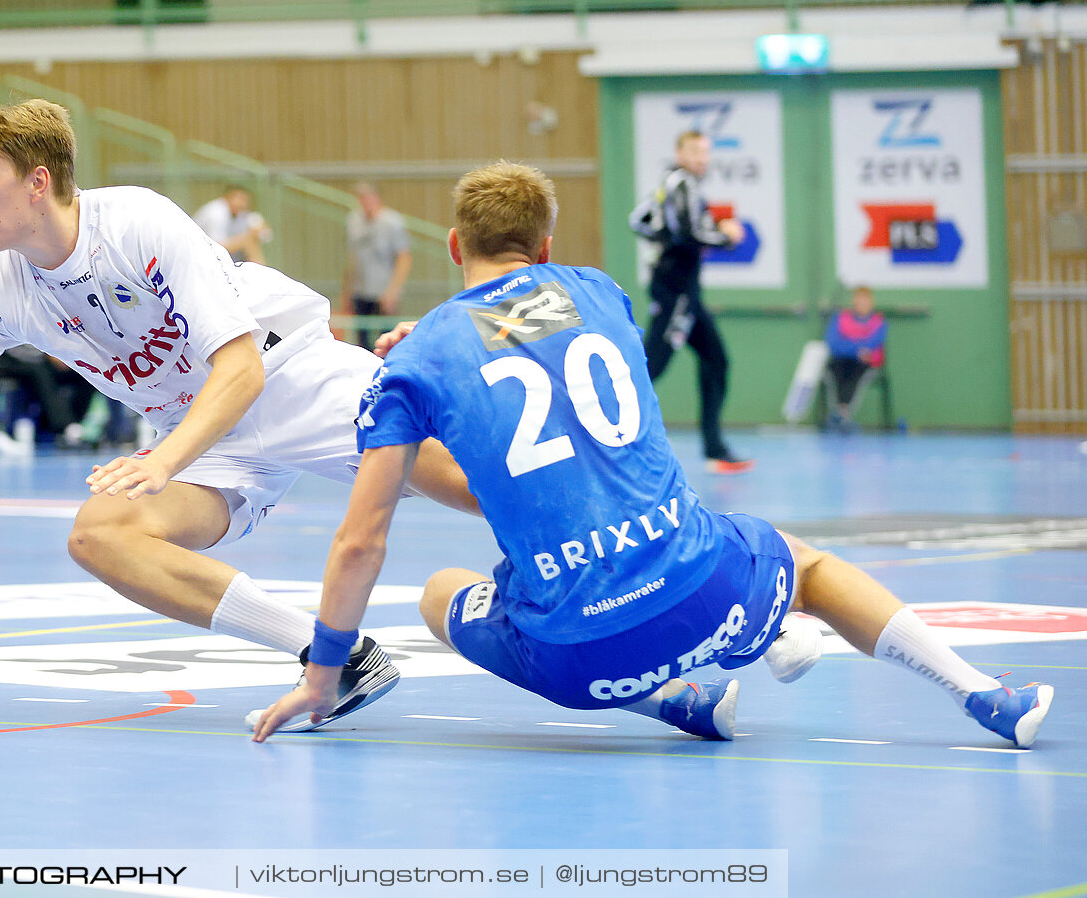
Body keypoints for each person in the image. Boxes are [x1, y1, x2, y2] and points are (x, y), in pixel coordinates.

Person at [0, 90, 486, 730]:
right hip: (204, 437)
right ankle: (335, 651)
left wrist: (163, 459)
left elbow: (241, 369)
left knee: (464, 483)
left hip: (289, 373)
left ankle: (593, 580)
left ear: (38, 182)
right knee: (100, 534)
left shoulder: (136, 223)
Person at [251, 162, 1052, 749]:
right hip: (703, 592)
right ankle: (984, 695)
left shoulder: (417, 363)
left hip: (575, 660)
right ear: (547, 244)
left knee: (439, 593)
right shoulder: (600, 293)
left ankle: (678, 702)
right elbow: (523, 333)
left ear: (455, 242)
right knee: (803, 566)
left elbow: (362, 540)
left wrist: (324, 673)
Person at [629, 129, 753, 474]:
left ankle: (715, 448)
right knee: (652, 364)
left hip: (686, 290)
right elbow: (689, 234)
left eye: (705, 152)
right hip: (677, 289)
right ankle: (604, 435)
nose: (702, 158)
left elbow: (639, 220)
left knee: (716, 360)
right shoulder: (682, 183)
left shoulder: (670, 184)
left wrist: (664, 237)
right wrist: (725, 236)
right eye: (694, 151)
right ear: (680, 152)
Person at [341, 182, 413, 347]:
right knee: (362, 340)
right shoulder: (354, 221)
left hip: (383, 291)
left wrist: (393, 291)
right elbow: (353, 258)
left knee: (386, 339)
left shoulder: (392, 222)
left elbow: (404, 258)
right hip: (361, 290)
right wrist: (347, 291)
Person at [825, 286, 887, 430]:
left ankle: (844, 414)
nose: (862, 303)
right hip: (841, 361)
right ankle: (837, 413)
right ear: (854, 301)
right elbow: (834, 344)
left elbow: (872, 344)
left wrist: (849, 345)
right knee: (836, 372)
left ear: (871, 302)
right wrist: (857, 350)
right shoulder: (840, 318)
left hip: (864, 364)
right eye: (859, 299)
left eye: (865, 300)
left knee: (855, 374)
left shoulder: (878, 322)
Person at [193, 185, 269, 265]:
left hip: (212, 255)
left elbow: (265, 235)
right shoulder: (216, 212)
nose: (243, 204)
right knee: (247, 241)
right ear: (228, 197)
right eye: (240, 199)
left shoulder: (237, 213)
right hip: (199, 256)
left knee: (250, 240)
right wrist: (246, 238)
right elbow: (217, 247)